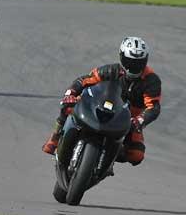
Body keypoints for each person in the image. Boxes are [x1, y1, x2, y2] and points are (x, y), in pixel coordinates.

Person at [42, 37, 162, 166]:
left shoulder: (151, 81)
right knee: (68, 106)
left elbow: (153, 107)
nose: (134, 67)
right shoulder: (111, 70)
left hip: (128, 120)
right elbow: (84, 80)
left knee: (136, 155)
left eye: (139, 63)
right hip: (98, 106)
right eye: (130, 62)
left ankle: (108, 158)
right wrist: (70, 93)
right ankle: (55, 139)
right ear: (122, 58)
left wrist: (140, 120)